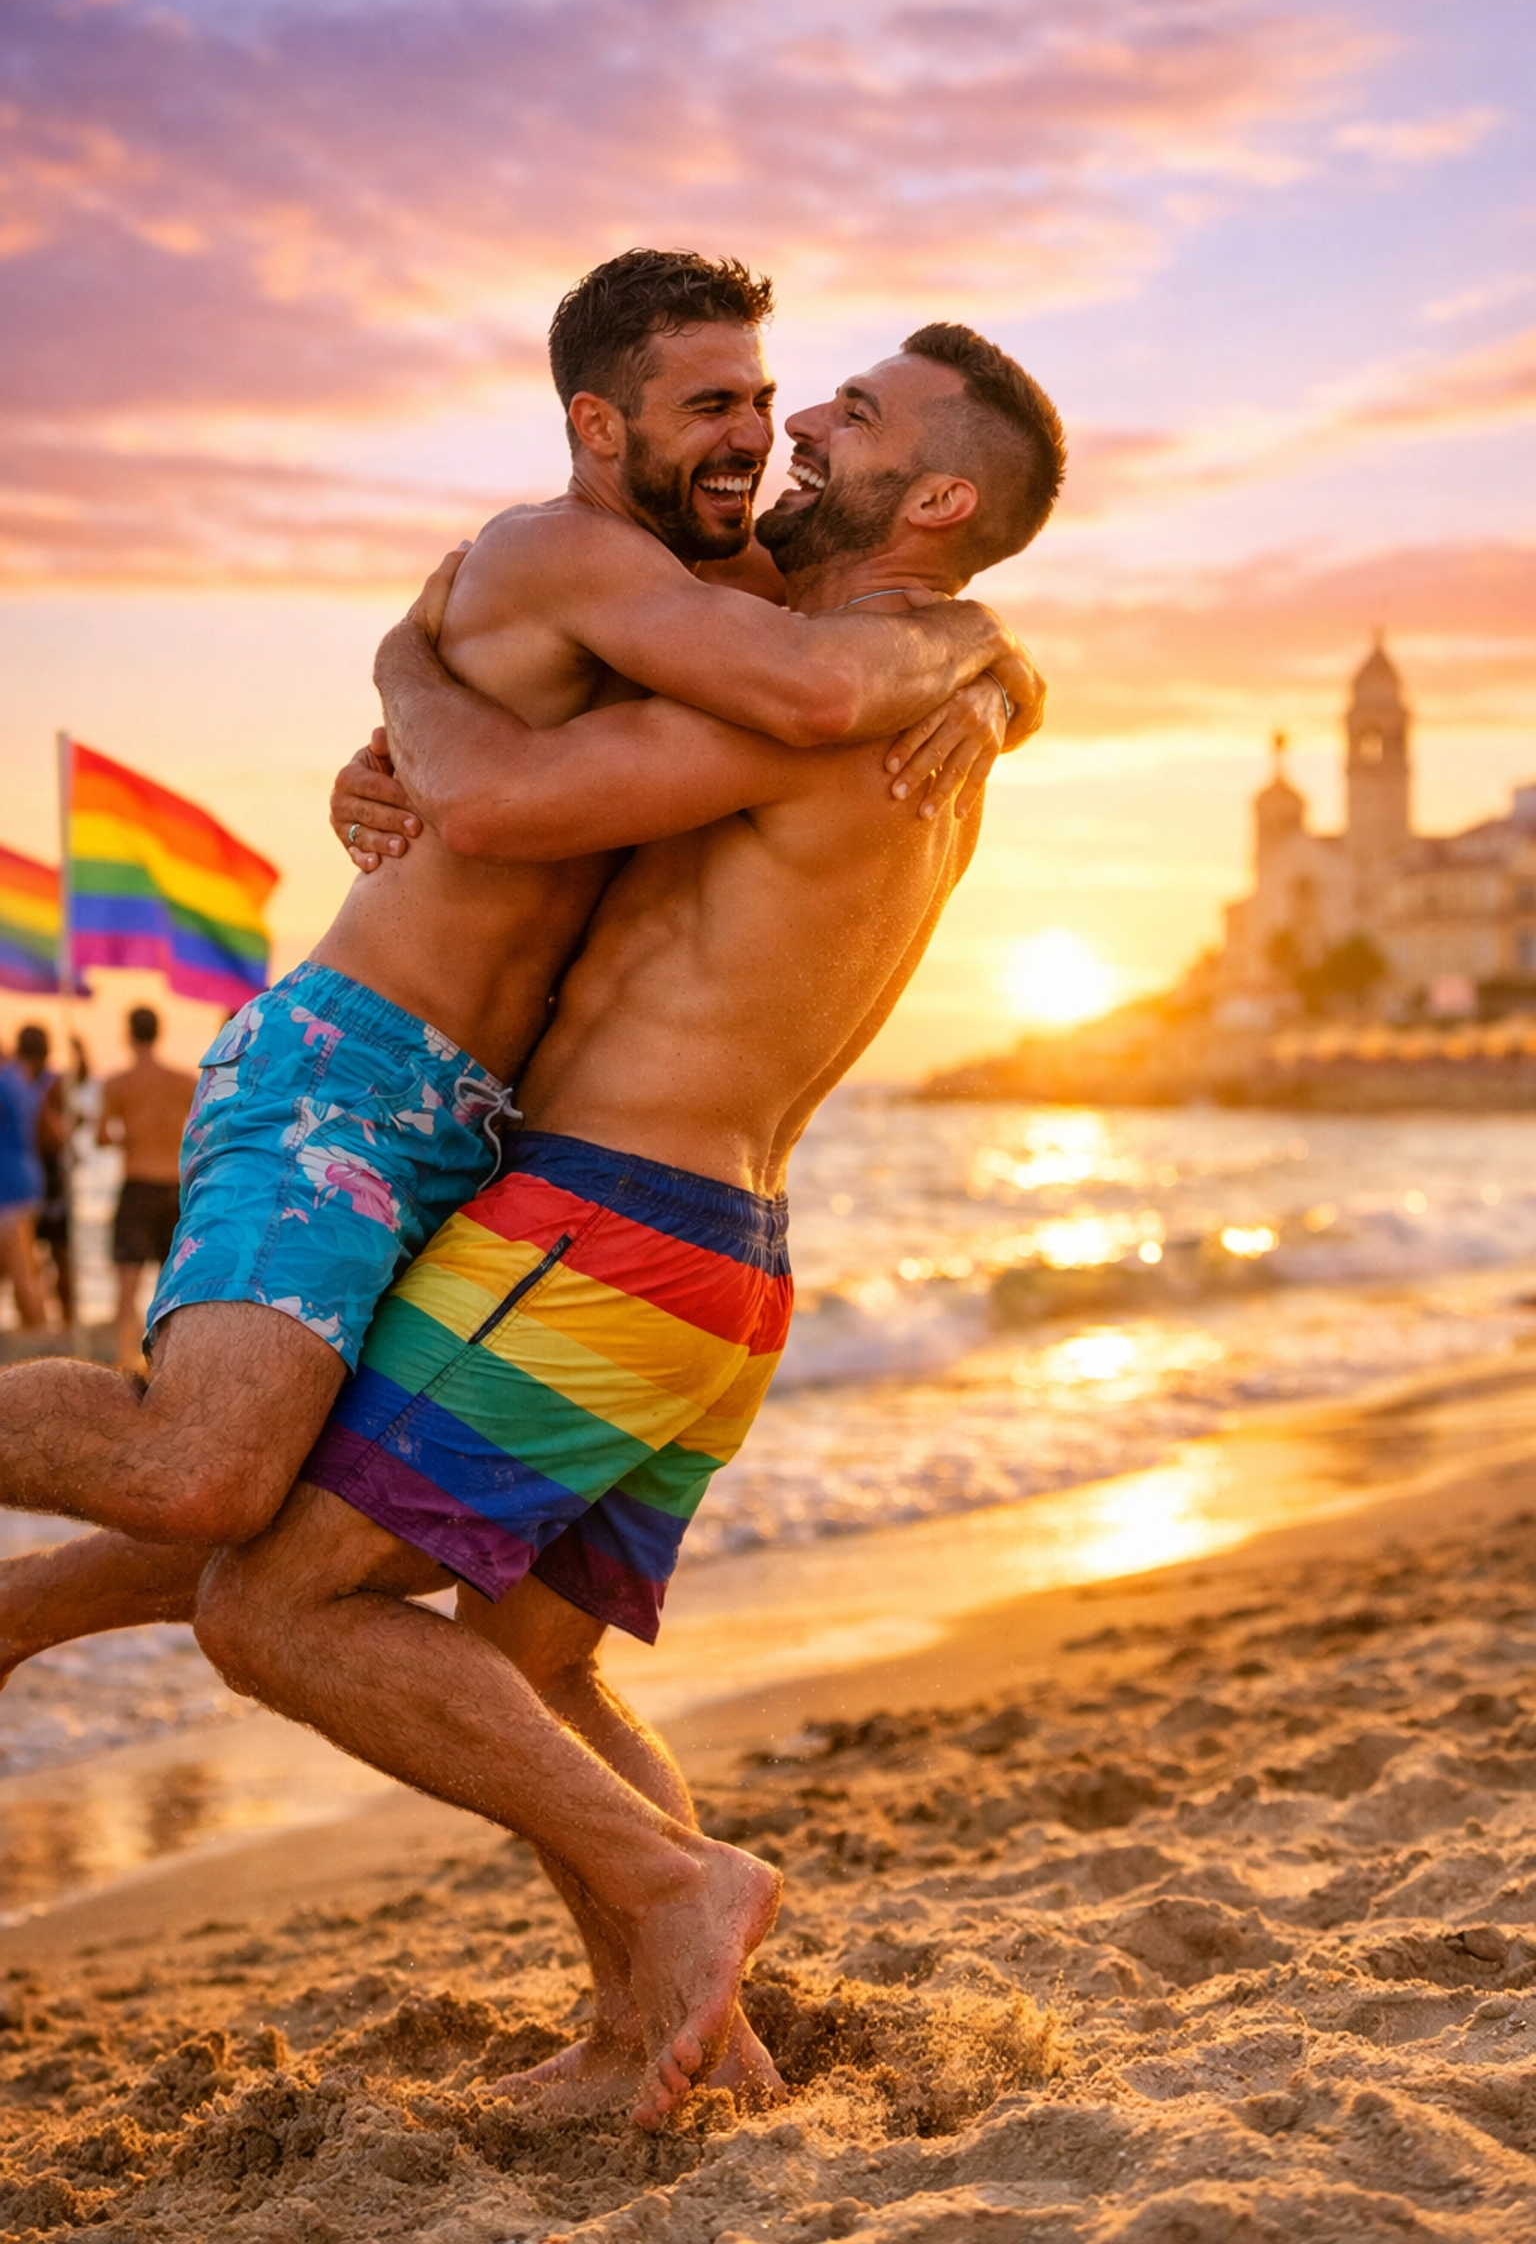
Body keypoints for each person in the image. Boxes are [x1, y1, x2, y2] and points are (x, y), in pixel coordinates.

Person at [186, 321, 1065, 2131]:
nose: (805, 421)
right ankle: (672, 2028)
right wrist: (998, 651)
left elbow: (498, 801)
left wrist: (403, 653)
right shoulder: (924, 686)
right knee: (531, 1669)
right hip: (722, 1271)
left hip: (604, 1228)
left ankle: (681, 1894)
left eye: (857, 415)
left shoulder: (829, 690)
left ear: (944, 495)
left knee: (276, 1606)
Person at [0, 253, 1032, 1678]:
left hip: (490, 1128)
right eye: (714, 403)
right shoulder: (566, 554)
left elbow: (851, 653)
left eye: (781, 401)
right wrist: (405, 673)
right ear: (601, 426)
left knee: (303, 1505)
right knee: (208, 1473)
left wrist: (993, 665)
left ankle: (12, 1624)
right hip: (358, 1061)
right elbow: (778, 703)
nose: (763, 433)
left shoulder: (738, 588)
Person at [96, 1008, 197, 1369]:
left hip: (138, 1184)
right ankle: (164, 1364)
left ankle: (125, 1362)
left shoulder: (117, 1083)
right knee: (171, 1282)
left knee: (127, 1283)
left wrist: (129, 1135)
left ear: (128, 1033)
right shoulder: (184, 1081)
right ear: (158, 1032)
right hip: (173, 1187)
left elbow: (101, 1135)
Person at [0, 1028, 66, 1336]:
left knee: (22, 1271)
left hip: (10, 1186)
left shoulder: (6, 1084)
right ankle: (34, 1331)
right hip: (26, 1178)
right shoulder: (22, 1082)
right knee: (18, 1267)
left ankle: (39, 1336)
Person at [33, 1033, 87, 1330]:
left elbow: (80, 1075)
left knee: (55, 1251)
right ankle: (55, 1317)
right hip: (47, 1170)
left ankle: (59, 1318)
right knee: (53, 1251)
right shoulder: (44, 1082)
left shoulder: (44, 1080)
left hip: (47, 1171)